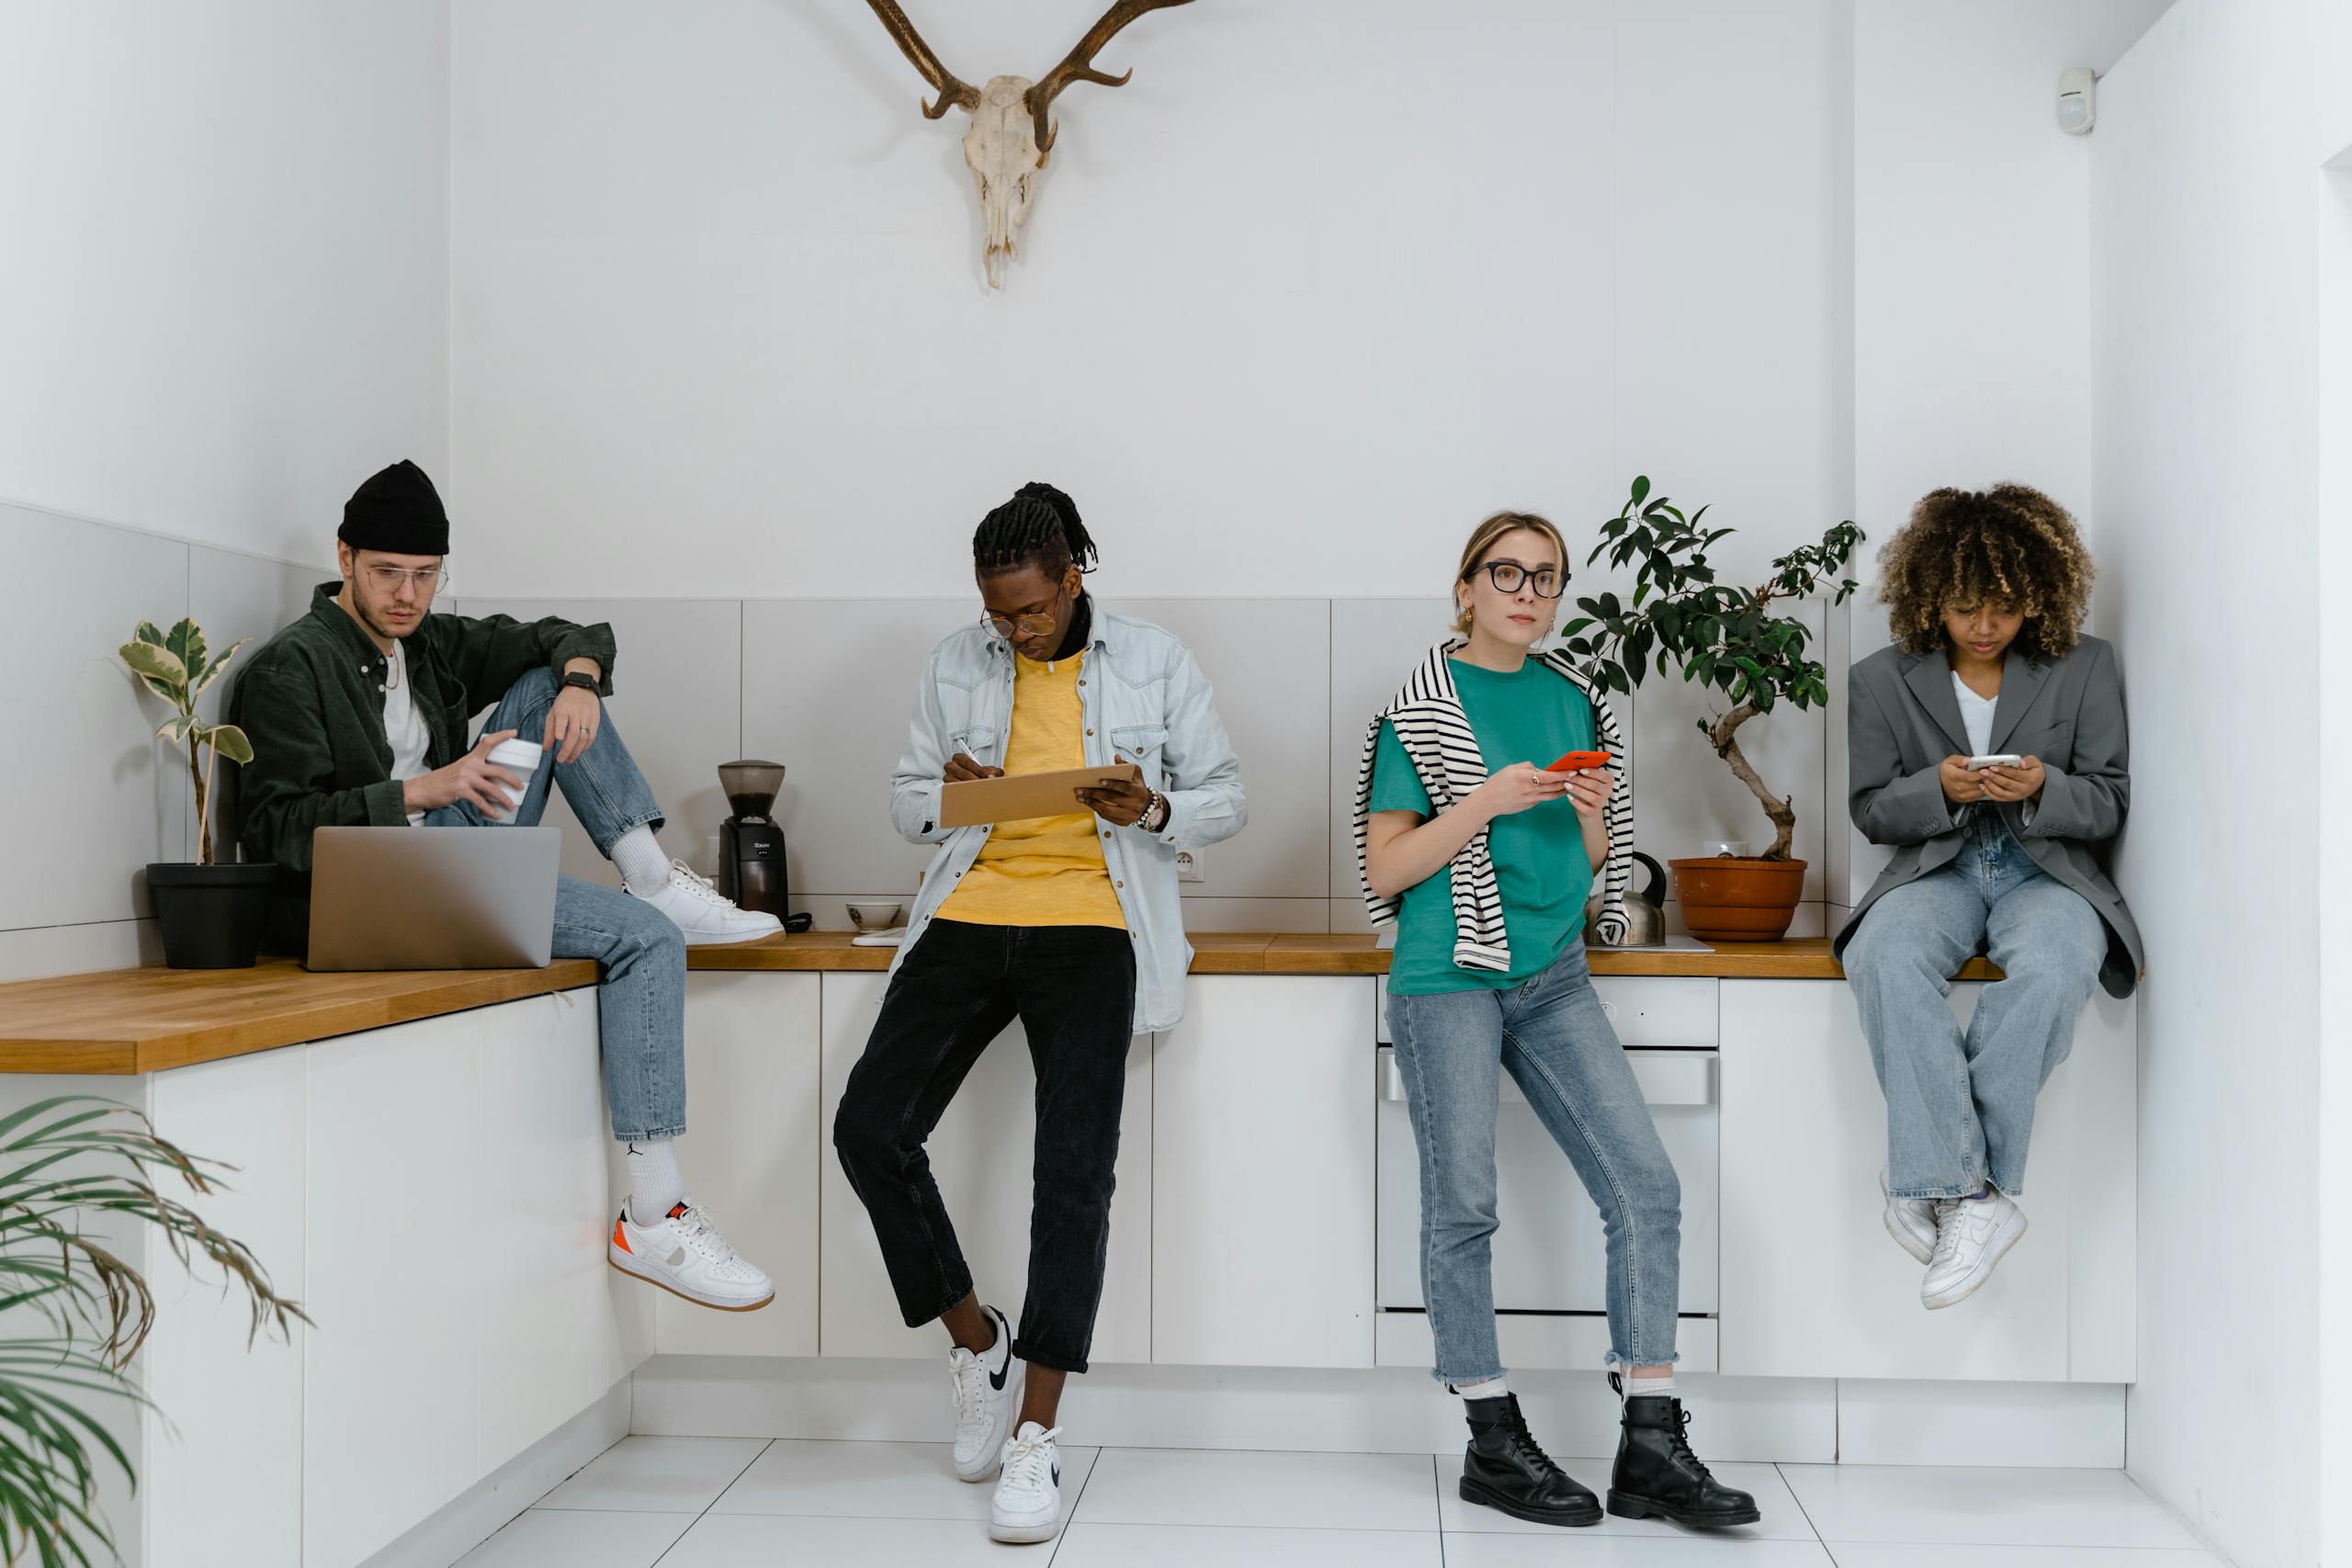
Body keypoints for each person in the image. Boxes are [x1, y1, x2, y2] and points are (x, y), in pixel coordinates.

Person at [228, 458, 780, 1312]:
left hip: (453, 863)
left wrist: (582, 679)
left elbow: (572, 631)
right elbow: (272, 833)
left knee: (549, 682)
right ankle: (654, 1216)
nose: (407, 595)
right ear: (343, 558)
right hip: (377, 897)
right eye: (386, 574)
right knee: (647, 939)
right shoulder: (289, 670)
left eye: (425, 576)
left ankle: (648, 873)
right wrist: (426, 788)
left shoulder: (428, 644)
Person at [831, 482, 1246, 1546]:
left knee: (1073, 1173)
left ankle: (1036, 1434)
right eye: (997, 614)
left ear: (1073, 577)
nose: (1015, 630)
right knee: (870, 1128)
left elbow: (1225, 797)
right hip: (969, 914)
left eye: (1032, 610)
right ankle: (977, 1341)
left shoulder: (1154, 660)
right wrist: (950, 790)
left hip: (1095, 927)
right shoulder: (953, 662)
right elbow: (904, 798)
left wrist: (1148, 807)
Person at [1353, 511, 1757, 1531]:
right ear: (1465, 588)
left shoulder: (1577, 701)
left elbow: (1581, 873)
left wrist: (1586, 826)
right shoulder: (1419, 709)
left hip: (1552, 971)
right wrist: (1484, 800)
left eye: (1545, 577)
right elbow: (1387, 868)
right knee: (1465, 1207)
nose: (1526, 592)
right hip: (1447, 973)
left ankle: (1652, 1445)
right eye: (1505, 573)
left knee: (1646, 1186)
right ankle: (1491, 1438)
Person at [1837, 483, 2139, 1309]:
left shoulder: (2086, 665)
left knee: (2057, 962)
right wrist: (1937, 785)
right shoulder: (1879, 679)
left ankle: (1932, 1178)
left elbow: (2110, 798)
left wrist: (2045, 785)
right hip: (1939, 863)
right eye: (1966, 606)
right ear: (1931, 596)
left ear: (2037, 594)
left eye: (2003, 608)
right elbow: (1869, 808)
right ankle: (1974, 1196)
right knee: (1884, 953)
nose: (1983, 625)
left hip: (2046, 865)